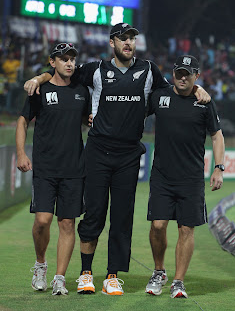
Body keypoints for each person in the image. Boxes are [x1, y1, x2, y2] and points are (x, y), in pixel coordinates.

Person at [23, 23, 211, 295]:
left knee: (122, 218)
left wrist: (198, 88)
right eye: (123, 38)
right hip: (98, 152)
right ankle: (85, 273)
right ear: (112, 42)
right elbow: (62, 75)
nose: (129, 43)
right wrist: (40, 77)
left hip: (129, 154)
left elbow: (176, 89)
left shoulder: (148, 70)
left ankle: (112, 276)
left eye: (132, 38)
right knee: (94, 215)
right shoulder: (95, 69)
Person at [145, 55, 225, 298]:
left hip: (191, 178)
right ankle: (159, 271)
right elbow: (133, 111)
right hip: (161, 176)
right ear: (173, 73)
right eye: (179, 72)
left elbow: (217, 135)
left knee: (186, 230)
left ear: (196, 76)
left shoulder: (204, 102)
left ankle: (178, 281)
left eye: (187, 73)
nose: (182, 77)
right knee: (158, 226)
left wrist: (219, 168)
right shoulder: (160, 96)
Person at [16, 43, 90, 295]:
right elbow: (23, 121)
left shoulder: (82, 90)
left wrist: (88, 120)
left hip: (74, 168)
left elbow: (83, 118)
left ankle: (60, 277)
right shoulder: (40, 89)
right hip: (45, 168)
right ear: (52, 62)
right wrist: (21, 153)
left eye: (72, 59)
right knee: (42, 221)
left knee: (67, 223)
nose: (69, 63)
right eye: (63, 59)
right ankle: (40, 264)